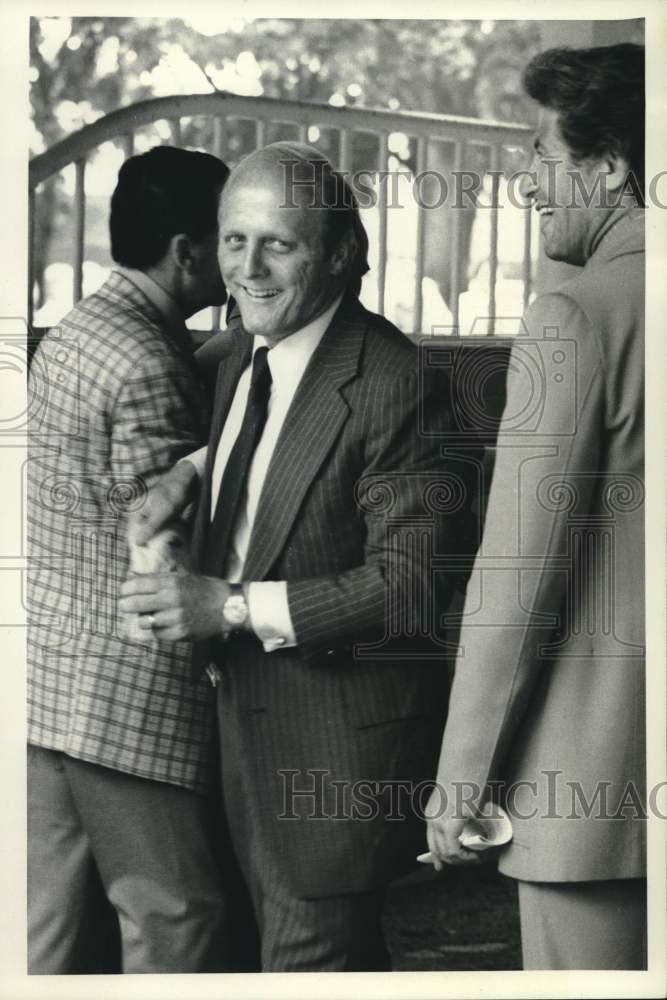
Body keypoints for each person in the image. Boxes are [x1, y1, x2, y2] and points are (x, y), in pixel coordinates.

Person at [119, 141, 473, 971]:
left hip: (330, 764)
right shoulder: (247, 346)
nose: (247, 268)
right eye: (233, 241)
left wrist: (227, 606)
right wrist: (188, 472)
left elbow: (410, 585)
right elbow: (281, 448)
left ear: (342, 253)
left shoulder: (397, 382)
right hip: (237, 739)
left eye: (277, 244)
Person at [425, 44, 646, 970]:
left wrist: (459, 784)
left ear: (610, 167)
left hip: (595, 800)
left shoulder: (576, 316)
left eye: (541, 154)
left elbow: (517, 577)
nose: (527, 182)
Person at [27, 145, 233, 973]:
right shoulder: (151, 364)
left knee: (41, 936)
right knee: (176, 921)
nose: (243, 256)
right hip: (126, 702)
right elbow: (161, 550)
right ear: (187, 252)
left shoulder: (83, 329)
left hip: (47, 685)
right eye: (229, 237)